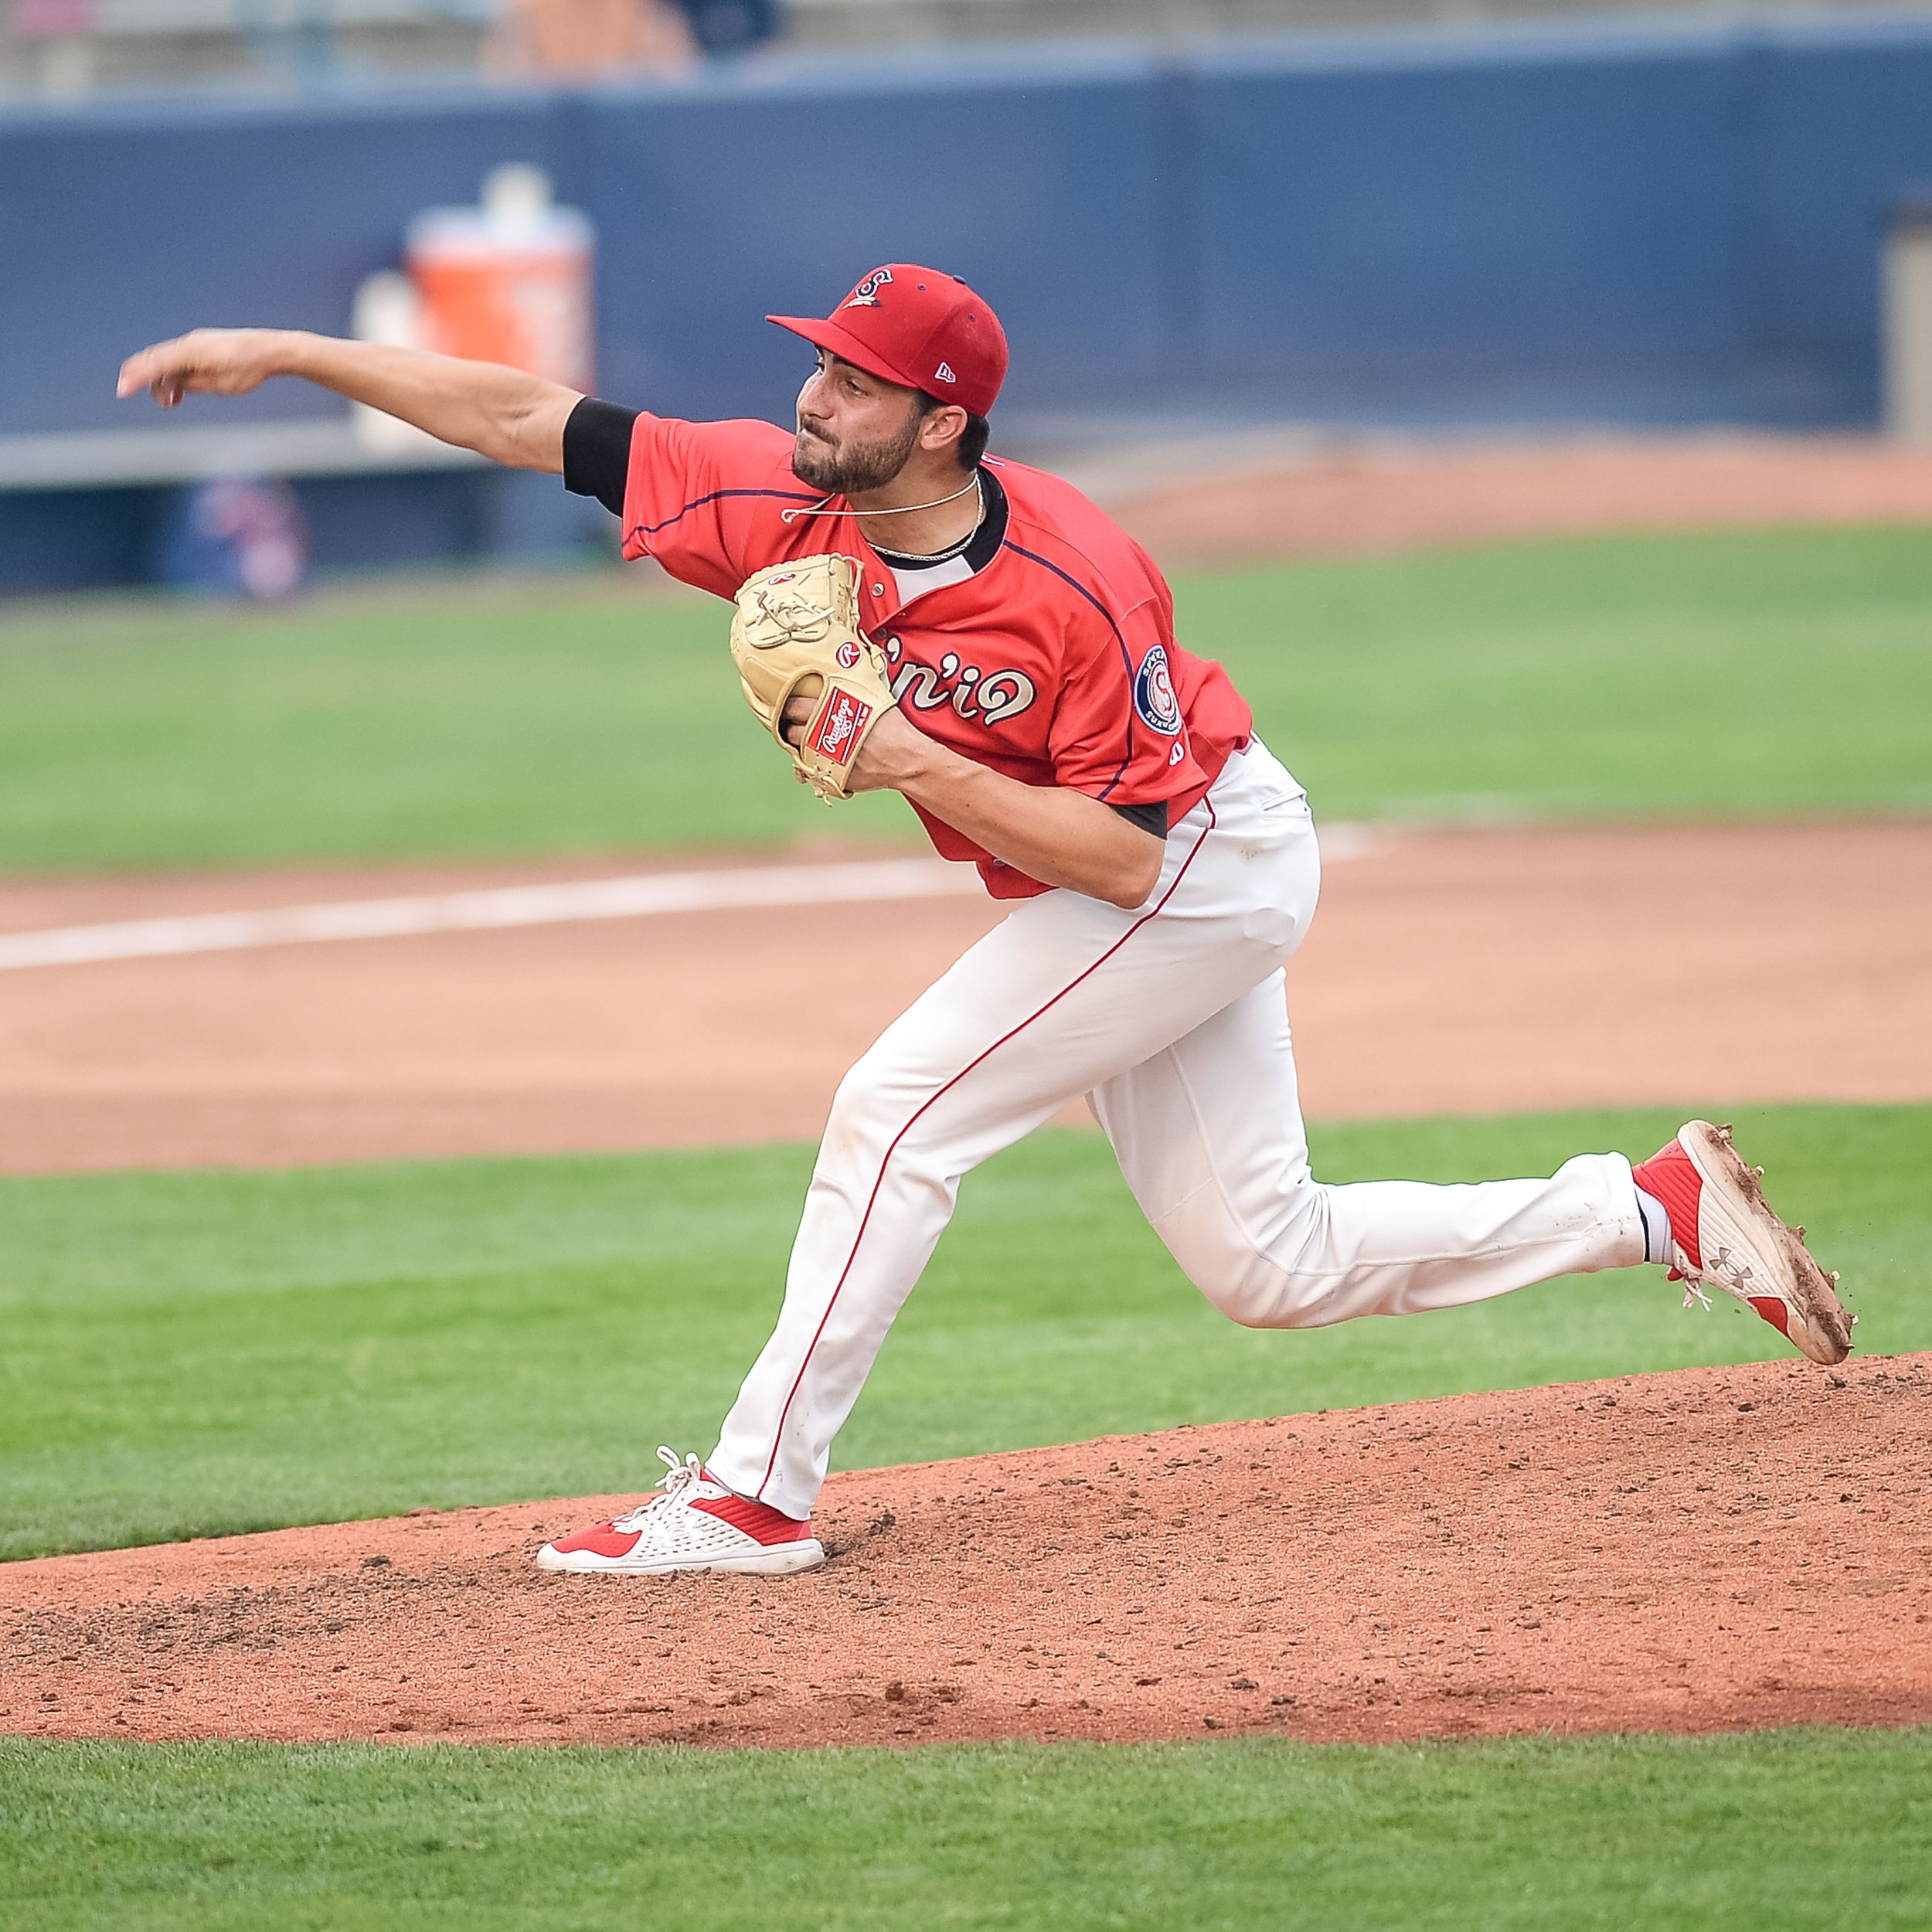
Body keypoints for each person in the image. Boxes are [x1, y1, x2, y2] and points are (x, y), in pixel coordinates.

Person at [117, 266, 1852, 1579]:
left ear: (939, 420)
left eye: (852, 381)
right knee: (1265, 1263)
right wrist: (290, 352)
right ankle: (1646, 1209)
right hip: (1129, 870)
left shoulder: (1079, 583)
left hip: (1190, 862)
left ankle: (753, 1492)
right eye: (815, 361)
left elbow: (1115, 863)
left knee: (897, 1110)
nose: (810, 393)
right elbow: (523, 416)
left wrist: (895, 752)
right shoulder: (776, 495)